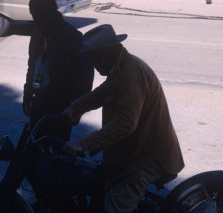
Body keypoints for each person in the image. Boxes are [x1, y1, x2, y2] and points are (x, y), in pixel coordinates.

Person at [63, 24, 185, 213]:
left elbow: (126, 123)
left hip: (148, 156)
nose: (93, 64)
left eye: (93, 58)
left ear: (103, 55)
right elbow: (103, 92)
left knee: (115, 207)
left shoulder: (130, 74)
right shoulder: (121, 68)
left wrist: (83, 143)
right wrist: (74, 107)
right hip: (135, 152)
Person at [23, 0, 94, 141]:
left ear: (52, 14)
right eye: (34, 16)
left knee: (58, 148)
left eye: (40, 16)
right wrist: (28, 94)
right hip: (39, 97)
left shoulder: (72, 37)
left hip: (61, 103)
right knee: (34, 144)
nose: (36, 21)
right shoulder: (37, 32)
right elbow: (32, 64)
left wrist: (77, 109)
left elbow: (85, 78)